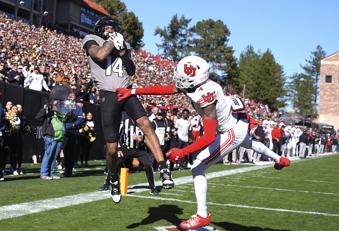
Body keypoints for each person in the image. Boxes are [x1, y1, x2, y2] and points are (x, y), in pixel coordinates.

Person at [116, 55, 291, 230]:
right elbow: (166, 89)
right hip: (237, 122)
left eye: (182, 78)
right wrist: (133, 91)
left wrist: (183, 152)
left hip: (231, 130)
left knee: (198, 166)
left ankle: (202, 215)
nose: (177, 80)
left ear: (194, 79)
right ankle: (279, 159)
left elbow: (209, 137)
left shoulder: (206, 96)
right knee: (249, 143)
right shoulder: (196, 85)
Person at [82, 16, 174, 203]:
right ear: (100, 30)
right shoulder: (91, 39)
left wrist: (123, 51)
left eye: (112, 28)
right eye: (106, 28)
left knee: (146, 124)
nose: (109, 30)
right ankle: (113, 177)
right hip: (108, 94)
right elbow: (99, 55)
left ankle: (164, 168)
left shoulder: (123, 43)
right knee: (112, 148)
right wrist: (111, 41)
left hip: (126, 91)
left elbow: (131, 71)